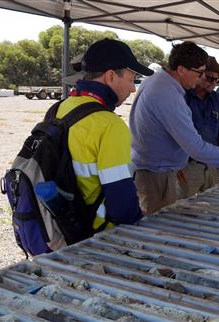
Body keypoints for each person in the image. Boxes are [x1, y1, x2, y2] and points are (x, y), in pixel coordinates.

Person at [130, 41, 219, 215]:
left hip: (154, 170)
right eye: (198, 73)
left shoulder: (155, 81)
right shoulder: (169, 96)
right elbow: (196, 147)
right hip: (157, 175)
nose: (199, 79)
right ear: (182, 69)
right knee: (162, 229)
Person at [59, 38, 148, 230]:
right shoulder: (110, 125)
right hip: (98, 235)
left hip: (62, 228)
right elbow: (122, 205)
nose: (133, 88)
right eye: (132, 80)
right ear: (110, 77)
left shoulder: (61, 108)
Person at [178, 57, 219, 198]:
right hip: (188, 166)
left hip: (212, 164)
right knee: (180, 210)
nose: (213, 82)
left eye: (216, 79)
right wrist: (177, 166)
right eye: (209, 77)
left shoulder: (217, 99)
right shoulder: (182, 97)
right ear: (199, 74)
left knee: (212, 207)